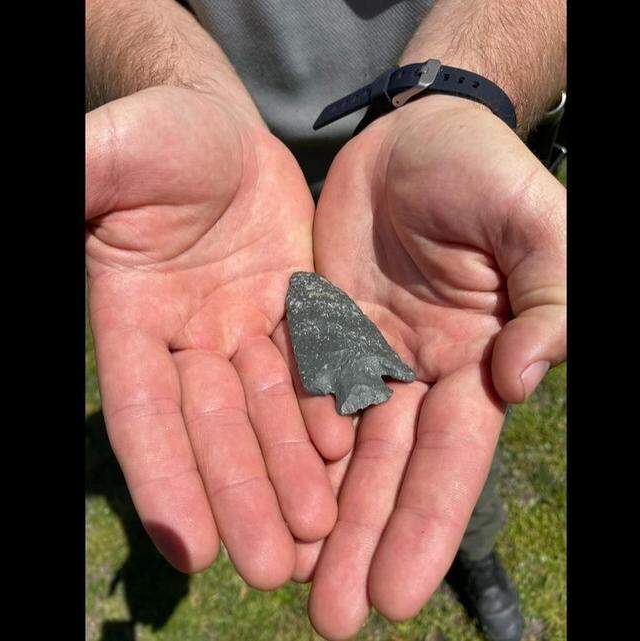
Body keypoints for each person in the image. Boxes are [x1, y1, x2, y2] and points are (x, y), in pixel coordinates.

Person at [84, 1, 566, 640]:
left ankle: (475, 555)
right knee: (351, 439)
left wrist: (460, 88)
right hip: (216, 186)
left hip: (429, 213)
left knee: (447, 412)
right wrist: (179, 83)